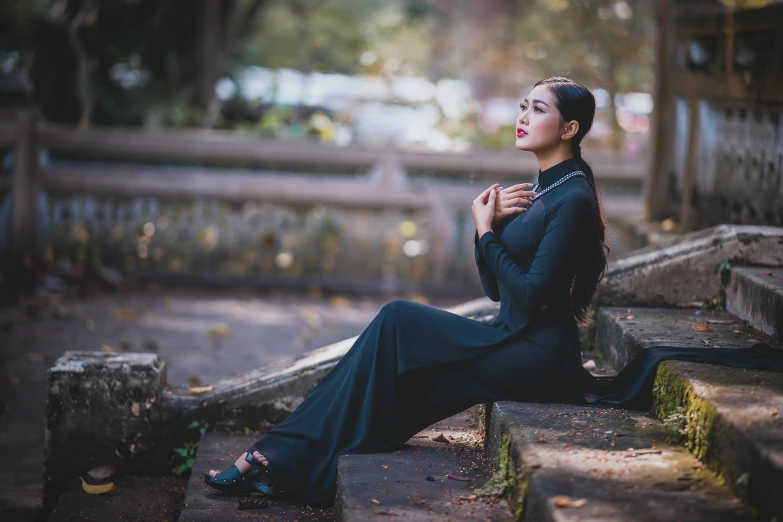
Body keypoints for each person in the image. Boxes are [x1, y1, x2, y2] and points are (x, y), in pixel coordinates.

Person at [204, 76, 783, 504]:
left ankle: (270, 456)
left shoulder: (574, 199)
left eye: (538, 108)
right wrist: (495, 225)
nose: (523, 115)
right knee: (399, 395)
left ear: (571, 128)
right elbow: (494, 284)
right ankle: (283, 462)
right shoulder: (541, 191)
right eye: (523, 105)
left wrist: (484, 230)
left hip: (537, 353)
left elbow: (529, 297)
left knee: (397, 320)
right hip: (513, 337)